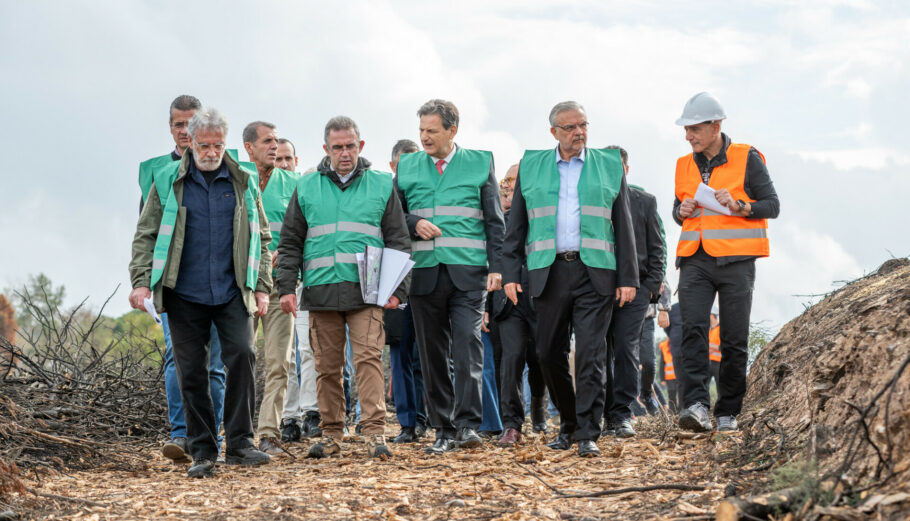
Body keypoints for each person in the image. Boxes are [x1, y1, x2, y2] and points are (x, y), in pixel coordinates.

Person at [129, 107, 273, 478]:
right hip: (183, 293)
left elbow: (263, 237)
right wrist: (140, 281)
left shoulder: (244, 180)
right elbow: (146, 235)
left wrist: (262, 287)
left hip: (232, 290)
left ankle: (241, 443)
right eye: (204, 145)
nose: (211, 153)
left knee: (242, 356)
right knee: (190, 372)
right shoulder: (166, 180)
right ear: (189, 142)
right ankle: (203, 451)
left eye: (218, 146)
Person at [502, 101, 638, 457]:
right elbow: (516, 225)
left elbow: (623, 225)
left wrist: (628, 277)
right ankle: (569, 422)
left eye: (583, 125)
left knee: (591, 355)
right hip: (547, 271)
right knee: (547, 353)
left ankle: (587, 433)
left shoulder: (608, 165)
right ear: (554, 133)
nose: (579, 132)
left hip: (596, 272)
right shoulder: (532, 165)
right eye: (570, 128)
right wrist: (510, 274)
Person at [276, 116, 411, 459]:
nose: (345, 153)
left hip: (367, 292)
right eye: (337, 147)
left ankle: (375, 433)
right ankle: (332, 433)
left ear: (361, 146)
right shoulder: (306, 186)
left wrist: (398, 288)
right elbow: (290, 241)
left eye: (351, 145)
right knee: (326, 367)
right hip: (321, 291)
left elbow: (398, 238)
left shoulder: (381, 184)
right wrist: (286, 288)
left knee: (368, 360)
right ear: (326, 149)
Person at [395, 99, 505, 454]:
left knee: (468, 347)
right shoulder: (409, 165)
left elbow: (494, 220)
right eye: (421, 131)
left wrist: (498, 267)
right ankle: (442, 428)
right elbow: (394, 215)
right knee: (432, 354)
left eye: (432, 131)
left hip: (469, 274)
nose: (424, 137)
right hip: (424, 275)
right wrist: (413, 223)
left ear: (451, 130)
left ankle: (468, 426)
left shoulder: (479, 162)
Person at [673, 92, 780, 432]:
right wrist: (681, 211)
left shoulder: (747, 157)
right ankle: (695, 406)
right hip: (695, 259)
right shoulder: (683, 164)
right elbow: (678, 211)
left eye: (694, 129)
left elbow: (772, 205)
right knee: (692, 331)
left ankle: (727, 412)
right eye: (686, 130)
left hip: (736, 261)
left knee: (733, 338)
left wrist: (740, 205)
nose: (688, 136)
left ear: (716, 126)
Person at [137, 95, 227, 466]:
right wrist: (144, 280)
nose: (185, 131)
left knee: (216, 365)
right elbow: (146, 228)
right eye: (178, 124)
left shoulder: (227, 163)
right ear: (171, 127)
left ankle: (211, 434)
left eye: (190, 123)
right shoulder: (155, 170)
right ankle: (181, 434)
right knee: (178, 358)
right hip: (176, 285)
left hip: (221, 285)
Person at [241, 122, 299, 455]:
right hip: (243, 286)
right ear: (249, 147)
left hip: (280, 285)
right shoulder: (237, 181)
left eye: (276, 141)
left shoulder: (294, 183)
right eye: (267, 141)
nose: (274, 146)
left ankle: (268, 434)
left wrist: (286, 254)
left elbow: (301, 231)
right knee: (241, 360)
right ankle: (240, 434)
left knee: (279, 361)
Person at [603, 146, 665, 439]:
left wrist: (651, 287)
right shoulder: (592, 201)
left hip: (636, 290)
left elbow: (657, 247)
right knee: (598, 351)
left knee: (627, 350)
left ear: (626, 169)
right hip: (597, 287)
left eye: (617, 167)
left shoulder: (645, 202)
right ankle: (603, 415)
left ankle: (622, 413)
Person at [491, 164, 548, 446]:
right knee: (510, 361)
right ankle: (511, 425)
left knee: (541, 359)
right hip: (505, 302)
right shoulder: (493, 218)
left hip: (539, 296)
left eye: (513, 180)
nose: (506, 185)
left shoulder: (541, 213)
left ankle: (539, 408)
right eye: (505, 179)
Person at [386, 139, 430, 443]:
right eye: (406, 163)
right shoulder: (385, 191)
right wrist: (414, 221)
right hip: (397, 280)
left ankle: (427, 418)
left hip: (430, 278)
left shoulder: (431, 186)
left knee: (427, 355)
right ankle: (407, 423)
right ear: (394, 166)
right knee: (400, 352)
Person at [658, 337, 678, 411]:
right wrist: (662, 379)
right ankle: (673, 411)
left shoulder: (679, 343)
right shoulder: (664, 346)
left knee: (681, 394)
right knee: (672, 395)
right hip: (669, 377)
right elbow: (662, 364)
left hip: (679, 375)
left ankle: (681, 410)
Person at [708, 310, 721, 386]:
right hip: (707, 362)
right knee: (704, 386)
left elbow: (722, 347)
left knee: (720, 386)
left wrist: (709, 346)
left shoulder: (721, 329)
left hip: (718, 363)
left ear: (712, 316)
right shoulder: (708, 330)